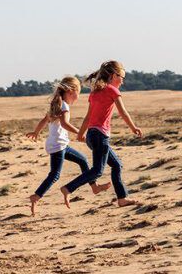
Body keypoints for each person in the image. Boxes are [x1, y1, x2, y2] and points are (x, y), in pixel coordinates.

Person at [60, 61, 143, 208]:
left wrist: (81, 134)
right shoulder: (112, 91)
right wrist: (133, 127)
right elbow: (123, 112)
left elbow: (87, 117)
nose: (123, 80)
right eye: (121, 76)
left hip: (92, 136)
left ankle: (122, 198)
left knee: (116, 165)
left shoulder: (94, 93)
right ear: (113, 76)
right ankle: (68, 188)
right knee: (98, 170)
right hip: (100, 136)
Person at [26, 76, 111, 216]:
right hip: (58, 146)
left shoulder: (56, 104)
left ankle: (94, 186)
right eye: (78, 92)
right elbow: (64, 124)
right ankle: (36, 196)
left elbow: (44, 120)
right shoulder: (63, 105)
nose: (78, 96)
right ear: (71, 91)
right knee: (55, 175)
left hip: (60, 144)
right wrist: (81, 132)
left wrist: (36, 132)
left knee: (82, 160)